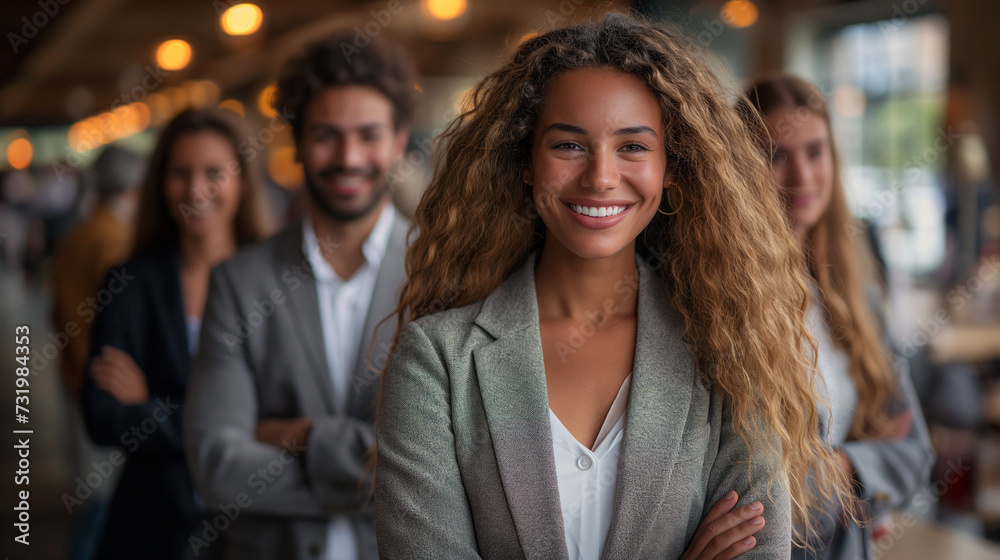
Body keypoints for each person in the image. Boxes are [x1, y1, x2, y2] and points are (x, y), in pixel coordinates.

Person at [374, 13, 855, 560]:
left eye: (632, 146)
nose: (601, 176)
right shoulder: (437, 362)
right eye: (568, 146)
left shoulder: (731, 348)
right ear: (525, 161)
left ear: (673, 167)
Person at [183, 32, 417, 560]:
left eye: (369, 135)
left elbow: (463, 468)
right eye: (326, 135)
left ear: (400, 142)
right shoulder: (239, 282)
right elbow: (218, 468)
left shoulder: (445, 274)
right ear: (296, 142)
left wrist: (300, 434)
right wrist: (395, 481)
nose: (349, 156)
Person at [740, 74, 934, 560]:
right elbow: (753, 499)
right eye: (776, 155)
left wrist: (841, 467)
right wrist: (867, 475)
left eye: (815, 151)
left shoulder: (854, 290)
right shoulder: (727, 303)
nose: (802, 177)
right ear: (739, 166)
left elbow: (915, 455)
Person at [80, 108, 272, 559]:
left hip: (255, 529)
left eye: (214, 173)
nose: (195, 189)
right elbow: (102, 415)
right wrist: (237, 425)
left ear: (243, 181)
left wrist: (150, 407)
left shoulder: (278, 284)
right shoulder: (128, 283)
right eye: (180, 173)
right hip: (150, 530)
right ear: (160, 184)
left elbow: (299, 414)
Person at [51, 145, 144, 560]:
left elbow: (57, 312)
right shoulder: (117, 239)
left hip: (76, 377)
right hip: (109, 386)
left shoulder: (78, 232)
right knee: (104, 506)